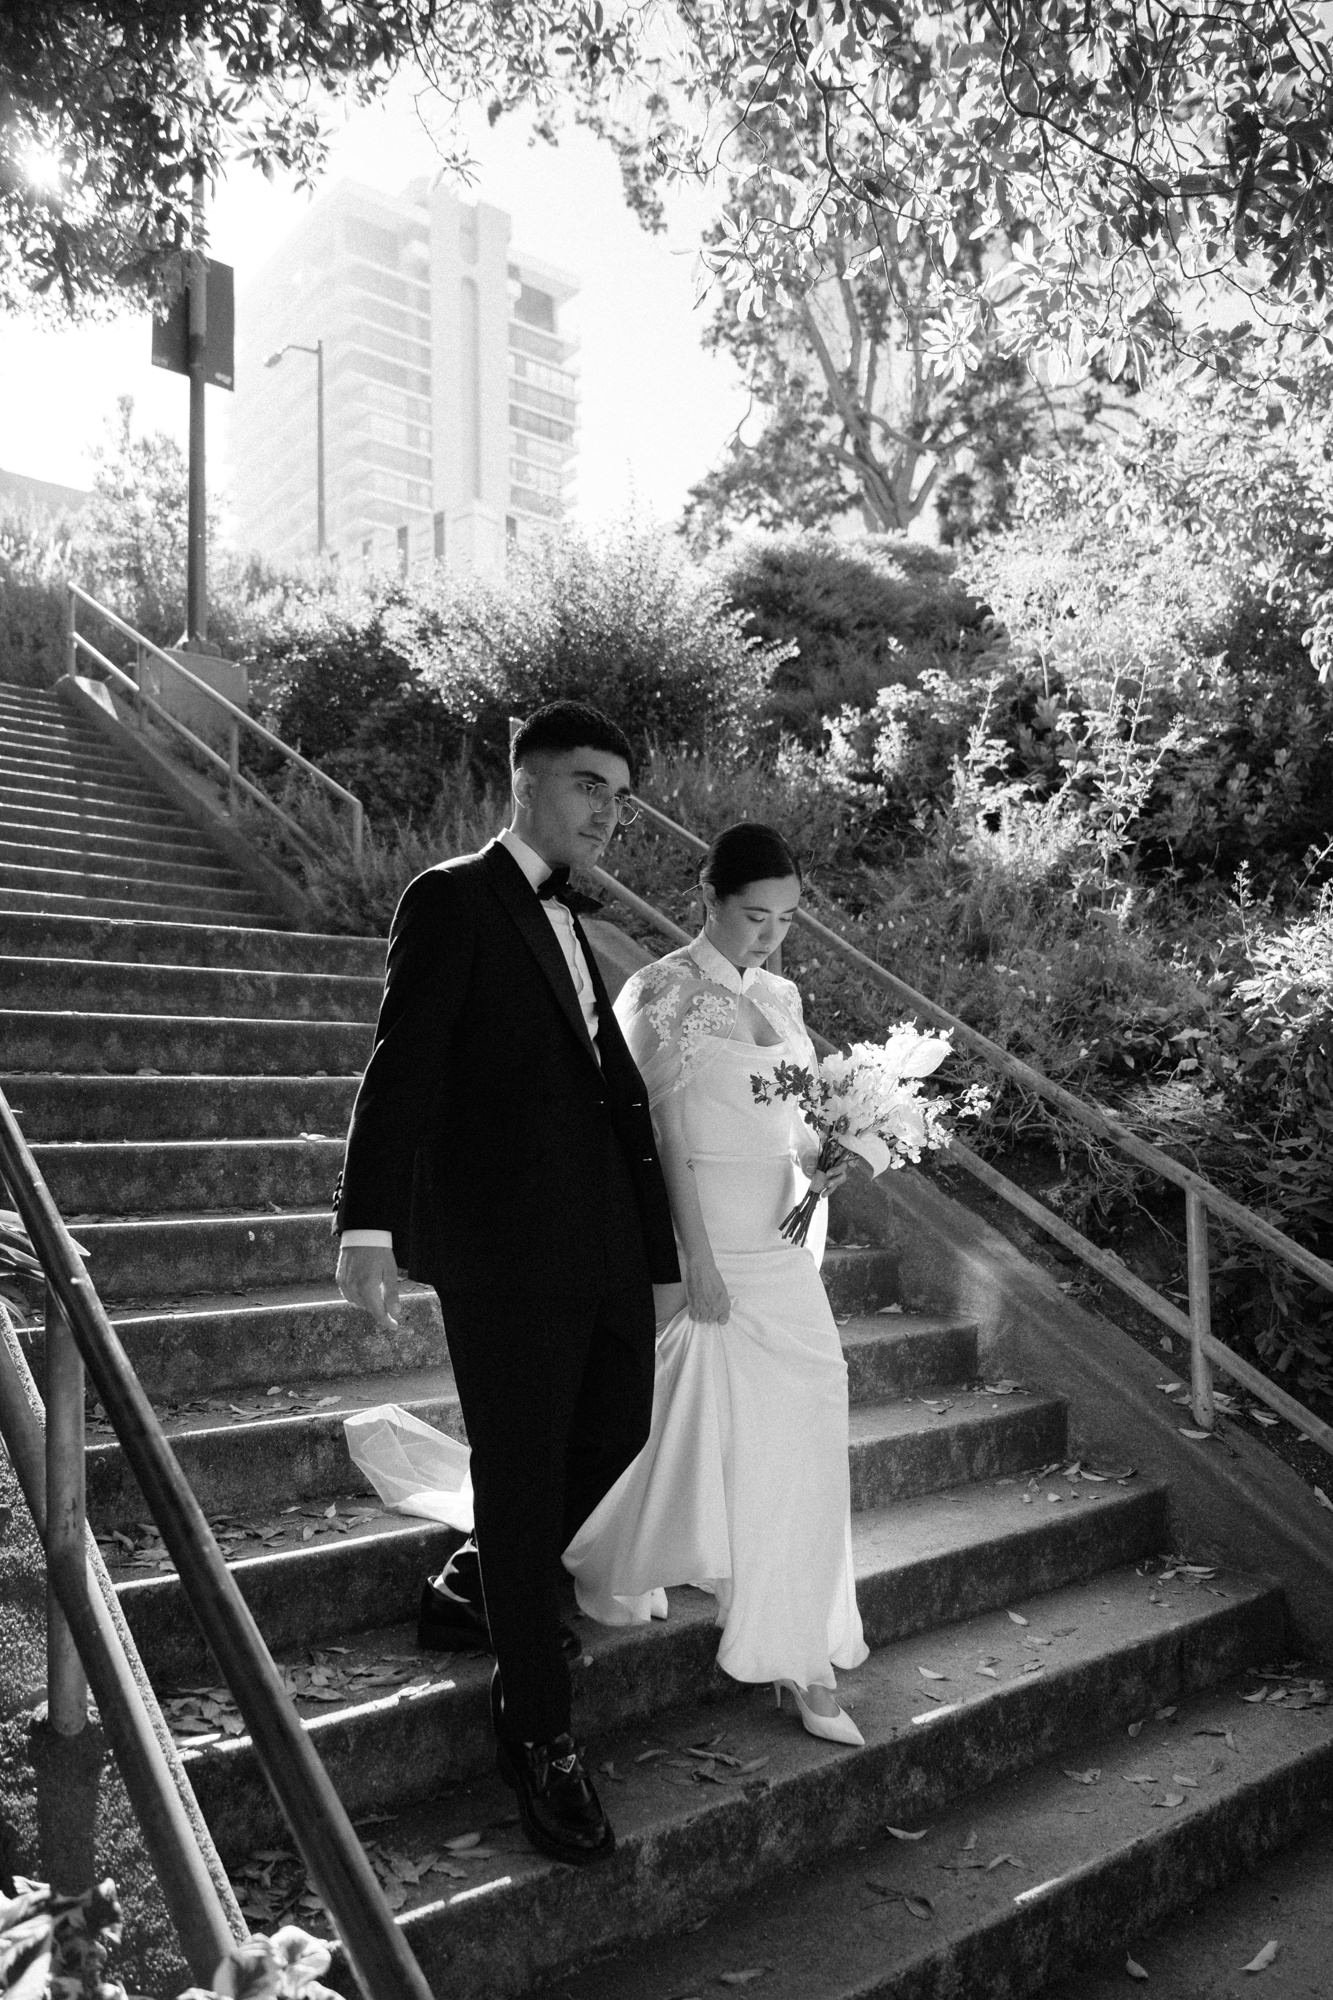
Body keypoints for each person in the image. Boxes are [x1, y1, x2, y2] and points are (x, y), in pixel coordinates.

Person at [334, 700, 679, 1866]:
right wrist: (368, 1221)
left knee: (619, 1428)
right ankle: (537, 1732)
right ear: (525, 782)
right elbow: (403, 1064)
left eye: (619, 795)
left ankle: (481, 1577)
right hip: (501, 1248)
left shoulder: (579, 922)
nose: (607, 811)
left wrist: (659, 1258)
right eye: (588, 784)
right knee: (524, 1474)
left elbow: (617, 1100)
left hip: (605, 1245)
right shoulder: (451, 897)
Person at [564, 822, 869, 1745]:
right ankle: (777, 1647)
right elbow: (654, 1138)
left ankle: (794, 1633)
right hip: (706, 1240)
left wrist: (828, 1160)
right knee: (693, 1417)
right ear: (708, 896)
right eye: (754, 915)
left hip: (779, 1247)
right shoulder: (661, 990)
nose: (770, 935)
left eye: (786, 918)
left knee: (804, 1420)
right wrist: (691, 1261)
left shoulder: (781, 994)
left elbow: (793, 1125)